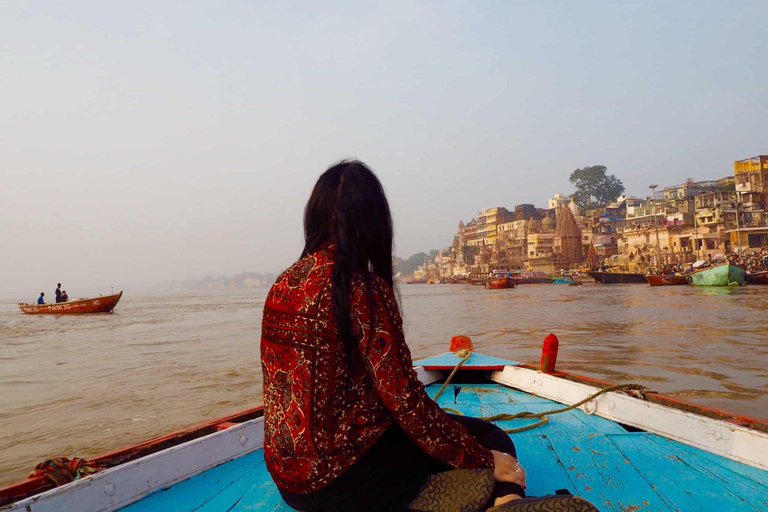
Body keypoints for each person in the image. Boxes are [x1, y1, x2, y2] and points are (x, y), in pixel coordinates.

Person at [261, 161, 594, 512]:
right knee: (491, 438)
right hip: (348, 479)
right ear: (374, 223)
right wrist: (481, 456)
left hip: (292, 485)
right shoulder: (363, 289)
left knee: (451, 440)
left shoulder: (281, 285)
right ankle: (506, 502)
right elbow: (405, 402)